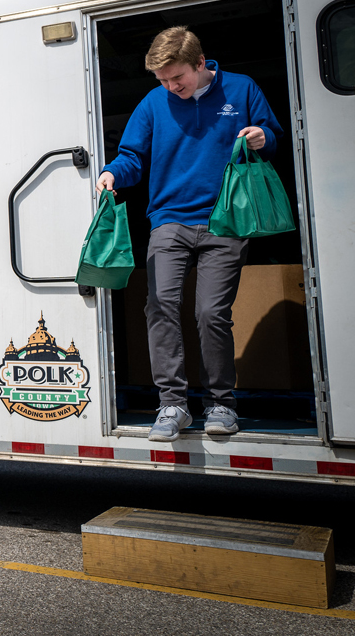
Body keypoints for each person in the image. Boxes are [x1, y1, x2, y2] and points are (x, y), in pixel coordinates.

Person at [97, 26, 284, 442]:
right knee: (160, 304)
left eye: (176, 78)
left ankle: (221, 403)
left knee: (210, 313)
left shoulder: (242, 89)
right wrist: (112, 172)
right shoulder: (153, 103)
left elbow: (274, 139)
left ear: (200, 64)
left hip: (226, 219)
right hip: (169, 219)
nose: (171, 86)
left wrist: (261, 136)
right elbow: (133, 156)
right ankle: (173, 404)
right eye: (162, 80)